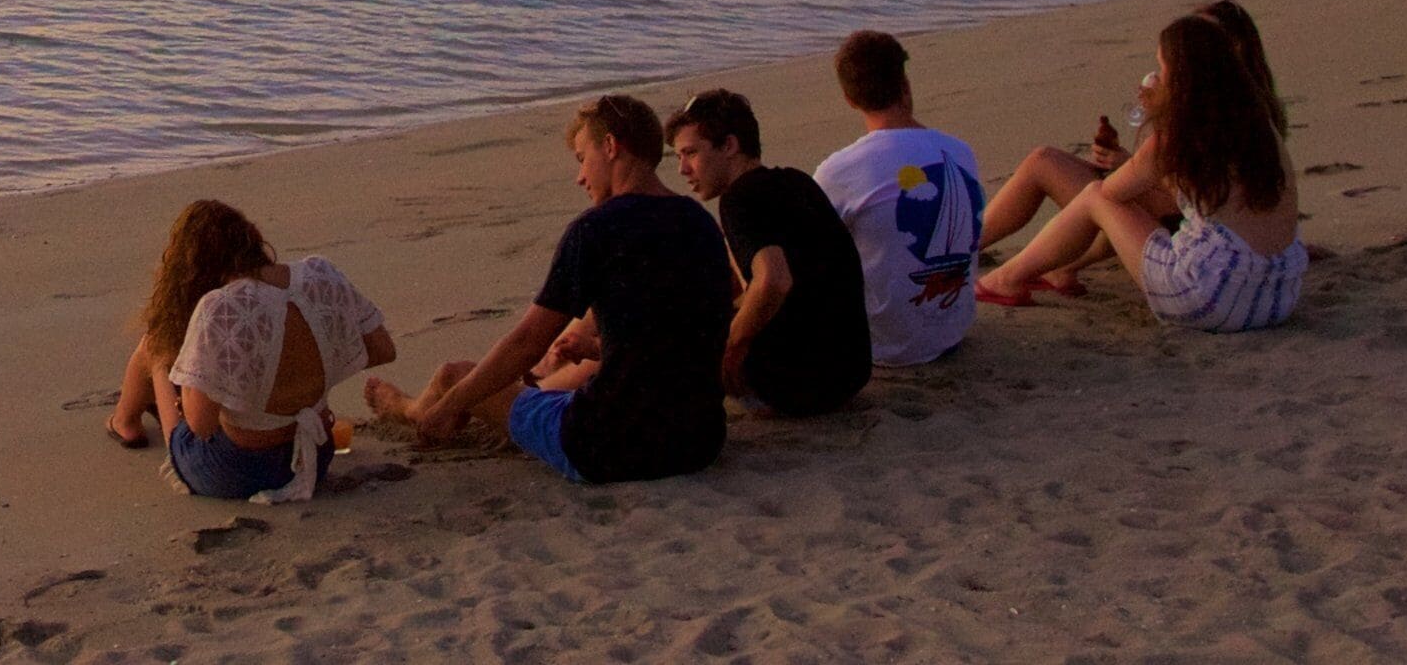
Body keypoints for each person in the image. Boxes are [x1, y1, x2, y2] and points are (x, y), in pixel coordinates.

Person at [365, 94, 733, 484]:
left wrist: (453, 405)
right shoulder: (700, 223)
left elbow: (527, 342)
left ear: (610, 147)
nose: (580, 176)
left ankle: (411, 410)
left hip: (608, 446)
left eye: (581, 159)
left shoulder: (596, 229)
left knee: (455, 377)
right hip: (699, 442)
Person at [978, 13, 1306, 331]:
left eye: (1162, 70)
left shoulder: (1178, 135)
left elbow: (1112, 194)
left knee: (1095, 198)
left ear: (1182, 79)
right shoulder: (1260, 125)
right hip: (1277, 294)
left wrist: (1158, 119)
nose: (1156, 78)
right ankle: (1054, 269)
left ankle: (1004, 279)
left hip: (1212, 297)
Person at [104, 199, 395, 502]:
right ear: (253, 237)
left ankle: (125, 421)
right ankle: (127, 418)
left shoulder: (220, 307)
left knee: (154, 346)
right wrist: (304, 381)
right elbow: (382, 349)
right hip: (314, 455)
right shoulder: (320, 274)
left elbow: (201, 427)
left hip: (238, 472)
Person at [664, 89, 872, 417]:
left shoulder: (738, 200)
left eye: (690, 153)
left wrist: (732, 347)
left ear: (729, 146)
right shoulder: (797, 182)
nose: (683, 169)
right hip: (849, 373)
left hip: (795, 389)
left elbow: (774, 281)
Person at [811, 31, 984, 367]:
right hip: (952, 330)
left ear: (849, 98)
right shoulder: (960, 151)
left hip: (885, 346)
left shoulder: (841, 170)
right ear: (905, 83)